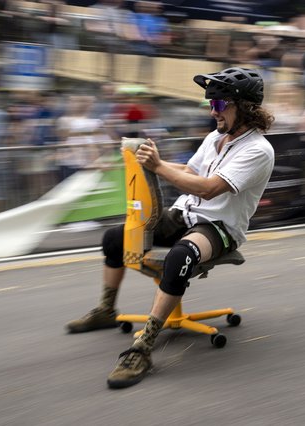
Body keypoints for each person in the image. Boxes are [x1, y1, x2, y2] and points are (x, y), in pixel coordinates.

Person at [65, 67, 275, 389]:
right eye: (210, 104)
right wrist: (148, 160)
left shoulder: (258, 150)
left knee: (180, 257)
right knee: (114, 238)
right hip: (184, 214)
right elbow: (190, 170)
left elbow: (207, 188)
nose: (212, 111)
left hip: (218, 227)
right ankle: (106, 309)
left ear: (242, 106)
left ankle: (142, 347)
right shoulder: (215, 138)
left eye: (218, 105)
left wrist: (159, 167)